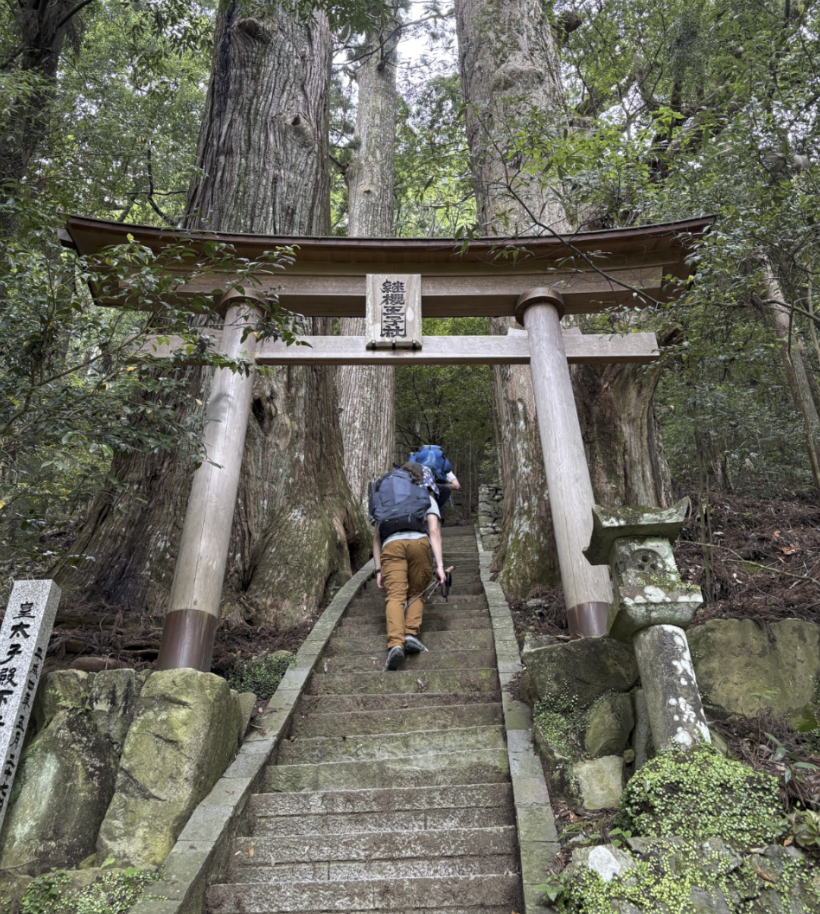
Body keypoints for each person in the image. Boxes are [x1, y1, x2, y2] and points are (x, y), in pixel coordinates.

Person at [370, 462, 446, 671]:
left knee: (395, 596)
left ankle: (395, 643)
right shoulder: (423, 494)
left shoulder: (385, 497)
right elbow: (434, 532)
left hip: (391, 545)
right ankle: (411, 633)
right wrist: (439, 565)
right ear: (418, 478)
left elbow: (376, 538)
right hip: (419, 544)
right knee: (417, 592)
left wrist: (378, 570)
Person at [408, 444, 461, 514]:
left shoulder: (417, 464)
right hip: (437, 496)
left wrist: (430, 484)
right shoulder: (443, 467)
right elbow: (456, 485)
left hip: (418, 493)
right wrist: (438, 486)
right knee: (437, 515)